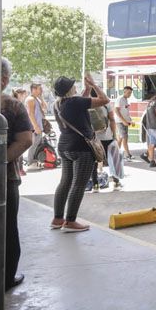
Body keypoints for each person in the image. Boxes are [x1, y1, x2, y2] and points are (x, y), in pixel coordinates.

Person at [51, 73, 110, 233]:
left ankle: (57, 219)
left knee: (65, 182)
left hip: (65, 146)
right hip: (81, 148)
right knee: (79, 184)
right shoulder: (75, 102)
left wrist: (87, 88)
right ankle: (70, 221)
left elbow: (82, 102)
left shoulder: (58, 104)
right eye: (73, 85)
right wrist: (95, 86)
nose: (75, 87)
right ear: (70, 90)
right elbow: (105, 100)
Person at [1, 58, 33, 290]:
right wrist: (0, 161)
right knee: (7, 228)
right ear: (5, 79)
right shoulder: (12, 105)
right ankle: (6, 279)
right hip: (4, 178)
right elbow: (26, 140)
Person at [89, 97, 122, 192]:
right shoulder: (105, 103)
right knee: (112, 160)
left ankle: (95, 185)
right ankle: (116, 182)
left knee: (94, 162)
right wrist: (114, 135)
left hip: (93, 138)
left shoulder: (87, 103)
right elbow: (112, 120)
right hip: (107, 137)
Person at [24, 83, 45, 169]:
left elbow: (44, 107)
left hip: (38, 126)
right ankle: (30, 162)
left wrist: (41, 97)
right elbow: (30, 114)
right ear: (34, 89)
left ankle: (33, 161)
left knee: (36, 144)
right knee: (33, 145)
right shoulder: (30, 99)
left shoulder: (36, 99)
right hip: (34, 127)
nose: (41, 90)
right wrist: (36, 127)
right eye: (39, 89)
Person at [115, 86, 134, 160]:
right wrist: (123, 121)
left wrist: (130, 120)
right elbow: (116, 110)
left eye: (131, 93)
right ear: (124, 91)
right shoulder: (119, 99)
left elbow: (126, 111)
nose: (130, 94)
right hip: (120, 122)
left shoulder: (126, 100)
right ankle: (127, 155)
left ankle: (116, 154)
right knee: (124, 138)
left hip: (125, 122)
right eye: (128, 93)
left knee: (120, 138)